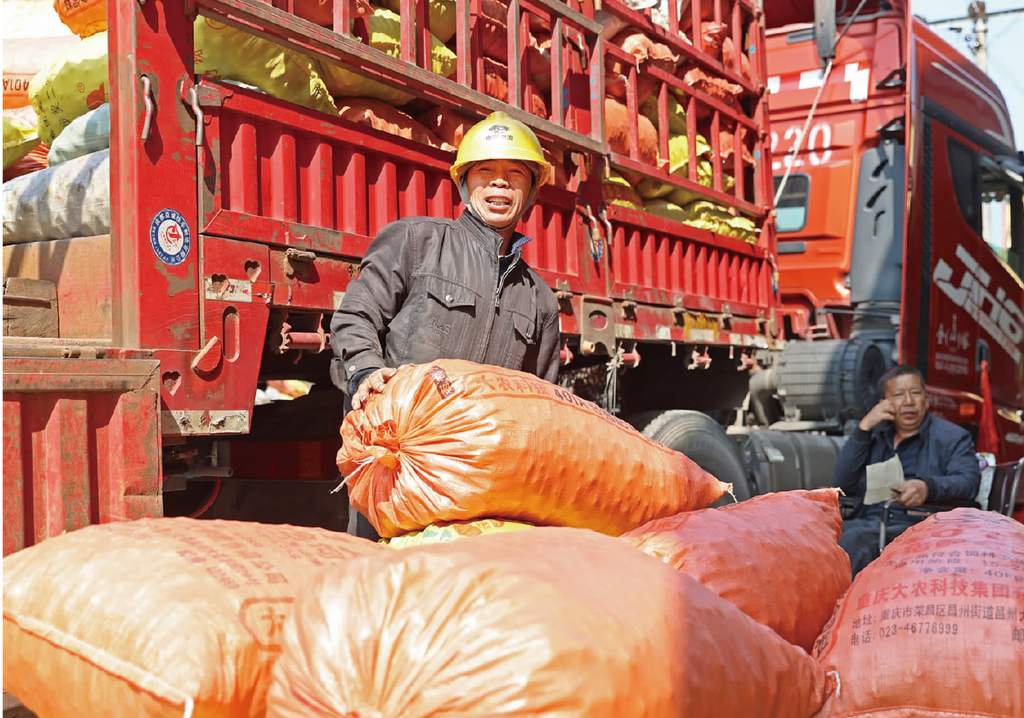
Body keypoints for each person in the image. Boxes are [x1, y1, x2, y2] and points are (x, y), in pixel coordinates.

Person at [330, 111, 562, 538]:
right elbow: (356, 315)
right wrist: (365, 370)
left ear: (531, 191)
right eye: (486, 172)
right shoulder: (416, 242)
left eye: (515, 174)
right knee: (383, 569)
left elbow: (541, 404)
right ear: (464, 182)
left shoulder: (540, 300)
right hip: (397, 463)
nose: (499, 184)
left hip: (481, 480)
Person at [833, 364, 980, 577]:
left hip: (916, 525)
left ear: (926, 400)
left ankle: (839, 601)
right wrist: (864, 428)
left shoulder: (952, 437)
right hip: (868, 520)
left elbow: (968, 482)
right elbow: (843, 484)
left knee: (854, 541)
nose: (908, 401)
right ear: (883, 403)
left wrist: (928, 487)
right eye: (899, 395)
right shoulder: (875, 435)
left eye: (915, 393)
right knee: (817, 536)